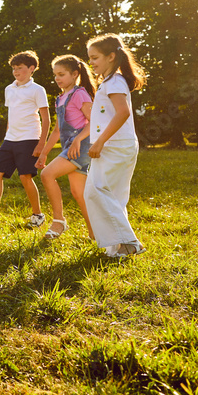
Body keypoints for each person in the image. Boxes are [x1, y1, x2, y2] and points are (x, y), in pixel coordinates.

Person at [85, 33, 147, 258]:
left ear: (111, 56)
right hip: (115, 145)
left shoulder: (115, 82)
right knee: (111, 194)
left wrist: (100, 142)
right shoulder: (109, 81)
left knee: (96, 191)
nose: (91, 62)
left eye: (95, 57)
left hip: (115, 146)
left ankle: (130, 242)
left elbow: (123, 112)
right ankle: (118, 247)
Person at [0, 50, 50, 227]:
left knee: (25, 177)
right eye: (14, 68)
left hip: (29, 139)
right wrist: (8, 134)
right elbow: (11, 114)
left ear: (32, 68)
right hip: (10, 139)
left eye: (20, 68)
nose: (16, 71)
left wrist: (41, 144)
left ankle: (37, 215)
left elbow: (46, 119)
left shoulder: (38, 90)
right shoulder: (9, 89)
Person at [36, 54, 96, 240]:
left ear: (75, 74)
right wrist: (43, 154)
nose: (57, 79)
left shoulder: (80, 94)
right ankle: (96, 233)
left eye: (61, 74)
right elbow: (56, 131)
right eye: (55, 75)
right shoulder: (60, 98)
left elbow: (94, 122)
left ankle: (59, 221)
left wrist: (78, 140)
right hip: (69, 146)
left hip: (81, 146)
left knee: (47, 175)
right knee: (78, 193)